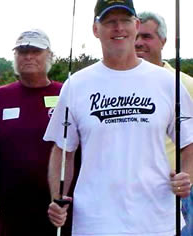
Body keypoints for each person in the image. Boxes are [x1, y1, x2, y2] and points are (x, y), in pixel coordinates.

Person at [44, 0, 193, 235]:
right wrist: (57, 196)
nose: (118, 28)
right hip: (94, 223)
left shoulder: (167, 82)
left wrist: (187, 176)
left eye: (125, 20)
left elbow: (189, 142)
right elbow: (63, 150)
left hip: (157, 222)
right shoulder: (76, 85)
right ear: (95, 29)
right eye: (109, 21)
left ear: (135, 24)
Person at [0, 29, 66, 236]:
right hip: (12, 212)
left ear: (50, 56)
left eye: (35, 51)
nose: (28, 56)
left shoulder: (66, 93)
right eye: (22, 51)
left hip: (59, 210)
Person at [135, 11, 193, 236]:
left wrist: (187, 175)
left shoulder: (186, 84)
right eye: (136, 36)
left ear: (164, 41)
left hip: (179, 194)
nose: (139, 43)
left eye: (147, 37)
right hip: (134, 194)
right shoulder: (118, 85)